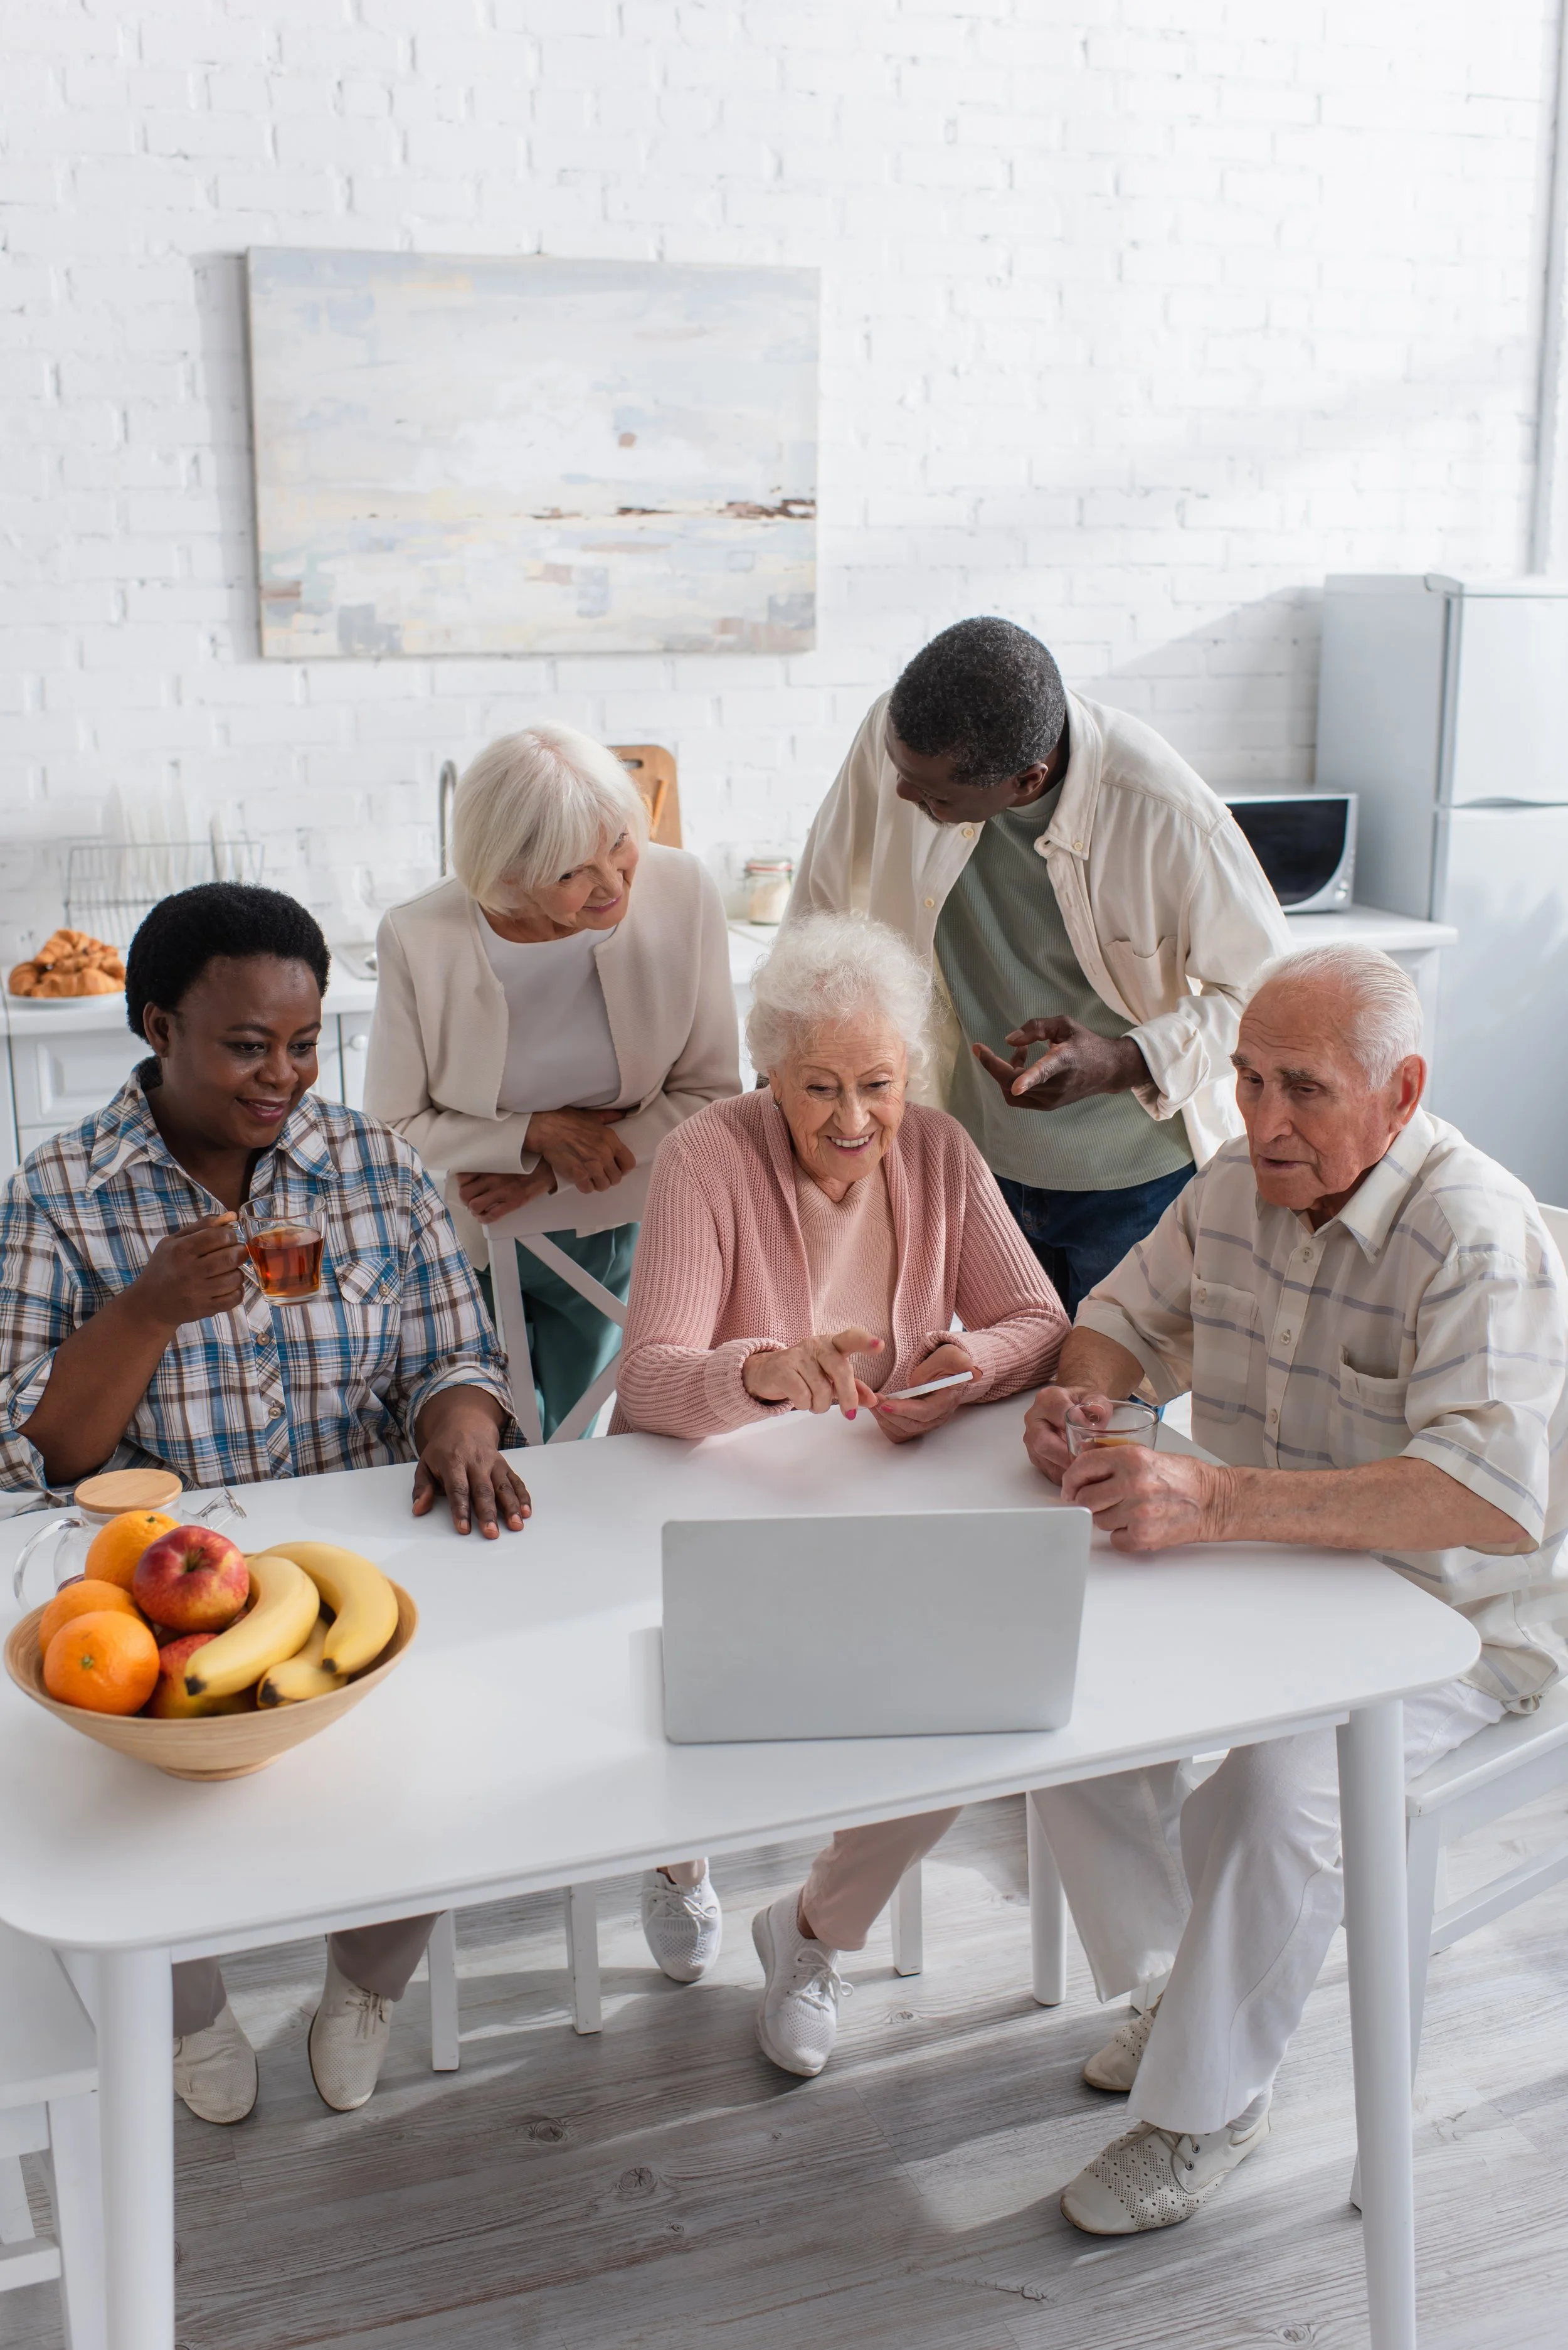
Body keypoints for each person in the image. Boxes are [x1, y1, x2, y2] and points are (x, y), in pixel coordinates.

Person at [1021, 943, 1568, 2236]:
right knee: (1048, 1676)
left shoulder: (1469, 1232)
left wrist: (1212, 1501)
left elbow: (1487, 1499)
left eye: (1303, 1090)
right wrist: (1082, 1394)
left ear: (1400, 1090)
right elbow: (1113, 1316)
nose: (1262, 1120)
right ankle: (1181, 1971)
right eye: (1246, 1078)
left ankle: (1203, 2107)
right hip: (1280, 1575)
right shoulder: (1231, 1183)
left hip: (1452, 1628)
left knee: (1272, 1791)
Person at [0, 883, 528, 2129]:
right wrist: (141, 1313)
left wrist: (460, 1415)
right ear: (155, 1026)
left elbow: (454, 1353)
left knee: (456, 1765)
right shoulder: (57, 1197)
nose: (281, 1075)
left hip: (352, 1563)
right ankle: (189, 2011)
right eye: (246, 1045)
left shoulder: (371, 1166)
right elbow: (28, 1454)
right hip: (152, 1580)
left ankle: (365, 1983)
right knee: (124, 1797)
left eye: (302, 1043)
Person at [614, 912, 1069, 2075]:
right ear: (770, 1071)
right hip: (715, 1500)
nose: (854, 1120)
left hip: (878, 1496)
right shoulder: (707, 1157)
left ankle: (815, 1927)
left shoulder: (940, 1154)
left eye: (878, 1083)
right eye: (819, 1087)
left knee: (965, 1691)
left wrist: (968, 1368)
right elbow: (653, 1382)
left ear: (913, 1071)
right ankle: (677, 1856)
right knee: (711, 1696)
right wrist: (766, 1372)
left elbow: (1038, 1322)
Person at [787, 617, 1291, 1315]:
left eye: (933, 797)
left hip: (1129, 1183)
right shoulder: (902, 741)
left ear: (1027, 779)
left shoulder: (1163, 809)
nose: (901, 796)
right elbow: (819, 899)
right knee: (993, 1394)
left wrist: (1123, 1058)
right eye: (903, 775)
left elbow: (1270, 998)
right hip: (973, 1159)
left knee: (1106, 1405)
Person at [366, 724, 740, 1443]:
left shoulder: (683, 890)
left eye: (621, 841)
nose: (614, 881)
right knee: (493, 1437)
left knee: (586, 1440)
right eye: (573, 872)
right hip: (466, 1232)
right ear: (506, 875)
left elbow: (710, 1093)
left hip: (619, 1218)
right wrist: (531, 1134)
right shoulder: (422, 935)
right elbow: (390, 1127)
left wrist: (545, 1173)